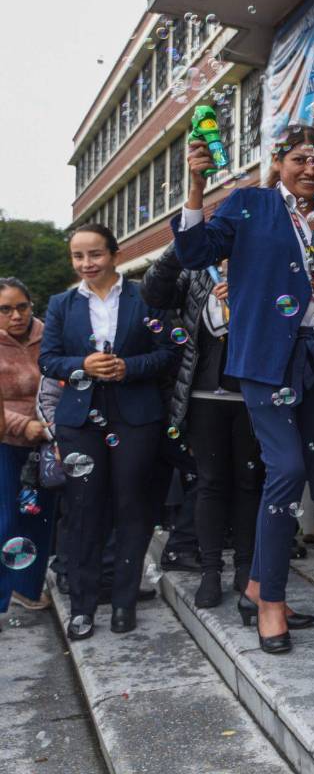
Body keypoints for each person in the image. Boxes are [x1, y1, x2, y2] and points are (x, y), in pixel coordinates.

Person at [170, 124, 314, 654]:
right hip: (267, 360)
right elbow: (194, 250)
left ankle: (257, 585)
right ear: (278, 162)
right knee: (288, 470)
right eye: (300, 158)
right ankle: (272, 601)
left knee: (300, 473)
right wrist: (196, 185)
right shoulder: (250, 204)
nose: (311, 168)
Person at [39, 224, 181, 640]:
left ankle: (123, 603)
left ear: (115, 254)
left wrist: (127, 368)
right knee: (83, 512)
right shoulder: (61, 304)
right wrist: (82, 365)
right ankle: (82, 607)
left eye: (95, 254)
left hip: (136, 416)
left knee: (132, 508)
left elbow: (170, 352)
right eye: (78, 256)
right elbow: (48, 359)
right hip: (80, 419)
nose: (87, 263)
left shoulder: (146, 297)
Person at [142, 248, 262, 608]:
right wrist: (182, 243)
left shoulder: (262, 266)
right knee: (210, 482)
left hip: (249, 394)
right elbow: (154, 292)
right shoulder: (196, 271)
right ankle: (211, 571)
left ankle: (245, 567)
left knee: (248, 482)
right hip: (202, 394)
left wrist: (245, 298)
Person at [0, 278, 55, 611]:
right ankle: (2, 595)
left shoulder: (49, 335)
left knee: (39, 517)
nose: (16, 315)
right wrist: (23, 425)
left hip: (46, 443)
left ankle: (27, 589)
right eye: (5, 309)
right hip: (6, 442)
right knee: (7, 520)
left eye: (22, 307)